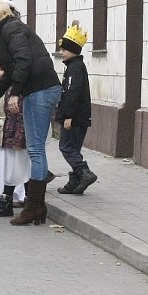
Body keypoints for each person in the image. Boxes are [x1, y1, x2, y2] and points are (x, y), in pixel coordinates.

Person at [0, 0, 62, 226]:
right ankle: (38, 207)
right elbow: (9, 72)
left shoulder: (11, 31)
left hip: (39, 90)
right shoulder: (14, 29)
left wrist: (15, 93)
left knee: (35, 150)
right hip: (44, 89)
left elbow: (23, 62)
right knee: (36, 150)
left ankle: (33, 207)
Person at [55, 21, 98, 194]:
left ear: (73, 50)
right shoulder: (76, 67)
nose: (61, 53)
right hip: (80, 117)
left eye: (64, 50)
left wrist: (68, 116)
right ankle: (75, 181)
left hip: (74, 117)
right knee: (74, 148)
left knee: (66, 147)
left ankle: (84, 172)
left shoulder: (74, 69)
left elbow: (73, 93)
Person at [0, 61, 29, 217]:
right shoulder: (2, 87)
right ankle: (6, 201)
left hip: (19, 135)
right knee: (8, 168)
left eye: (2, 69)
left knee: (23, 168)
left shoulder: (20, 88)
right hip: (6, 133)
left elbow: (20, 116)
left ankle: (29, 202)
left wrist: (17, 138)